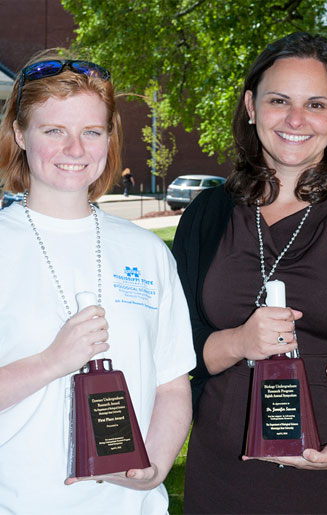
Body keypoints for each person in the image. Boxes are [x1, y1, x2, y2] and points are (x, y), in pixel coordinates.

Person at [172, 32, 327, 514]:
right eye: (278, 100)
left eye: (315, 104)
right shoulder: (206, 215)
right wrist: (239, 342)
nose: (295, 119)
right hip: (224, 477)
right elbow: (174, 343)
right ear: (250, 106)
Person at [0, 50, 195, 514]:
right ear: (20, 135)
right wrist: (52, 361)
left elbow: (172, 384)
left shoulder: (147, 252)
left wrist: (158, 465)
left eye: (91, 132)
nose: (75, 150)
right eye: (54, 131)